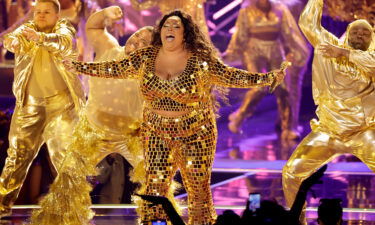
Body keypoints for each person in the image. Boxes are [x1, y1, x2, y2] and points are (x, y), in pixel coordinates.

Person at [67, 9, 288, 225]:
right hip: (156, 132)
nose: (170, 29)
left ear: (185, 33)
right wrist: (77, 67)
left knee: (198, 189)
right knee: (155, 189)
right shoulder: (146, 57)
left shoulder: (201, 60)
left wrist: (268, 78)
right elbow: (112, 68)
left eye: (176, 26)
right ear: (160, 32)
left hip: (196, 133)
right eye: (166, 25)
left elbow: (231, 75)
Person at [29, 6, 153, 224]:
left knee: (155, 178)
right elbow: (93, 26)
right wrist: (105, 14)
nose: (138, 42)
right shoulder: (110, 48)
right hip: (94, 132)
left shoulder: (153, 72)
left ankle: (159, 217)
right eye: (137, 35)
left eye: (145, 42)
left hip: (132, 136)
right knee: (68, 180)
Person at [282, 0, 375, 224]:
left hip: (363, 133)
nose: (361, 34)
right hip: (328, 132)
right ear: (346, 33)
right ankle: (297, 221)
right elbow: (307, 23)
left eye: (366, 32)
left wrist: (343, 52)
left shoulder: (369, 56)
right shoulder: (327, 47)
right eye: (356, 30)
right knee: (291, 173)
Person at [0, 0, 84, 217]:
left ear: (57, 15)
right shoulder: (26, 30)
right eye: (38, 12)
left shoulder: (64, 28)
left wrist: (41, 38)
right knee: (17, 157)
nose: (41, 15)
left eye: (47, 12)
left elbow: (63, 42)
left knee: (65, 158)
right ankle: (2, 205)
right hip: (30, 106)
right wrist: (15, 41)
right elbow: (11, 40)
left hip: (61, 106)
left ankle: (74, 210)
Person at [224, 0, 309, 139]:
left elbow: (289, 32)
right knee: (259, 87)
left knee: (284, 89)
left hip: (275, 49)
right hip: (253, 50)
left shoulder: (280, 8)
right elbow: (240, 34)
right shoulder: (247, 10)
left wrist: (294, 50)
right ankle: (240, 116)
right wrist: (231, 52)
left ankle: (288, 128)